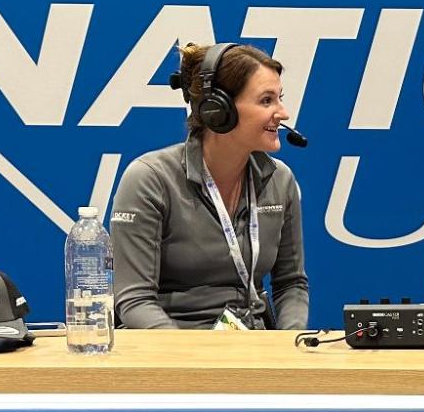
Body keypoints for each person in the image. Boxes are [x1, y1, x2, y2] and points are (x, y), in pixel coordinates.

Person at [111, 41, 309, 329]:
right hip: (173, 353)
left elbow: (292, 283)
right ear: (218, 109)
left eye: (279, 98)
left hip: (254, 351)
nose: (283, 113)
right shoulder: (150, 178)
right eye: (267, 100)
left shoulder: (280, 179)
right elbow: (134, 300)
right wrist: (194, 364)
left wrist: (288, 349)